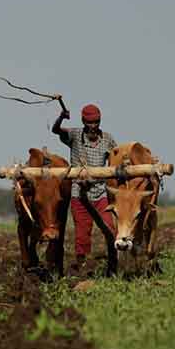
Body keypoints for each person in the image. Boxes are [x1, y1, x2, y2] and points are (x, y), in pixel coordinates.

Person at [52, 103, 117, 270]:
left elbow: (116, 160)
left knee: (110, 229)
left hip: (100, 192)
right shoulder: (74, 135)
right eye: (90, 123)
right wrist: (61, 117)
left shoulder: (108, 139)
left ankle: (114, 262)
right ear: (83, 122)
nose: (93, 127)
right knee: (82, 234)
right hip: (79, 193)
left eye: (96, 122)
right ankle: (82, 266)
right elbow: (56, 130)